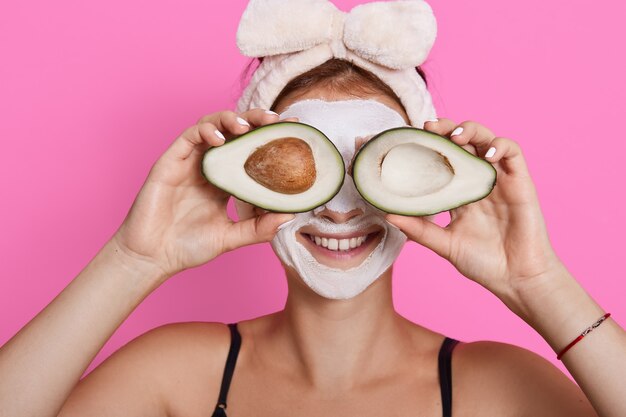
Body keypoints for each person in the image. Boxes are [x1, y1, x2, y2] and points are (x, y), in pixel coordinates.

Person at [0, 1, 624, 416]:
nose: (341, 211)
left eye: (374, 170)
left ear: (432, 187)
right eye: (303, 169)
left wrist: (538, 282)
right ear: (247, 187)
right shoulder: (177, 376)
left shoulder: (496, 390)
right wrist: (133, 260)